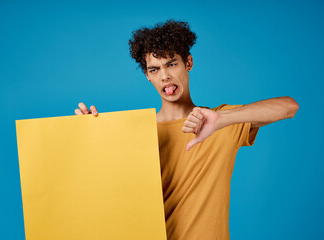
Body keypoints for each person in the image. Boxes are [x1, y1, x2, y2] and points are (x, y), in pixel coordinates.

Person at [74, 20, 299, 240]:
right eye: (154, 69)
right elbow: (104, 198)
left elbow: (289, 107)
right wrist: (91, 135)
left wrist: (221, 118)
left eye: (172, 63)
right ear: (148, 75)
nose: (165, 76)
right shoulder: (136, 132)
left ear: (188, 62)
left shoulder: (222, 121)